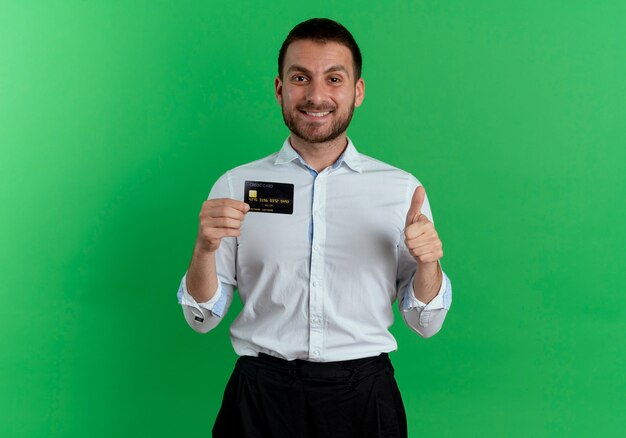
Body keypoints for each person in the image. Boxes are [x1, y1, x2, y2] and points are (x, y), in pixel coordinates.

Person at [177, 17, 452, 438]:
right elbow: (201, 320)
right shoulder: (235, 186)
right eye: (301, 77)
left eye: (334, 78)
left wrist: (429, 264)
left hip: (365, 399)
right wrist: (204, 247)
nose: (317, 95)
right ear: (280, 88)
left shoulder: (401, 191)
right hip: (259, 399)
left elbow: (425, 324)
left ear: (357, 91)